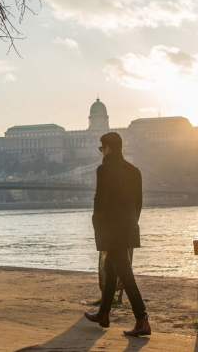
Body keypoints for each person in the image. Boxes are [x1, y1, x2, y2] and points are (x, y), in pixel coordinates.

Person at [84, 132, 150, 336]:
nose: (101, 152)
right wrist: (131, 223)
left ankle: (142, 319)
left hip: (111, 228)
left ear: (108, 148)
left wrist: (97, 223)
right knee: (111, 269)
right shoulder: (134, 170)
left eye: (101, 148)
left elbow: (100, 199)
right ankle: (103, 314)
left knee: (125, 273)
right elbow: (138, 202)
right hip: (129, 227)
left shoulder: (104, 169)